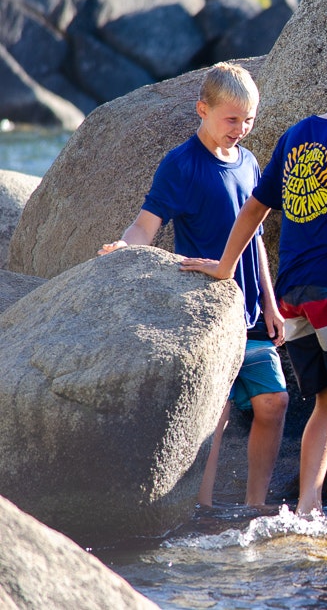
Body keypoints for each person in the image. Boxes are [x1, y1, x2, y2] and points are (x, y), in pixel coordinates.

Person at [180, 51, 327, 529]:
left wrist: (226, 267)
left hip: (294, 294)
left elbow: (254, 209)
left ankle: (308, 508)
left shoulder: (295, 136)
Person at [99, 62, 289, 509]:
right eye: (231, 119)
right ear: (202, 109)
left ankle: (255, 505)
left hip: (252, 312)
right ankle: (200, 506)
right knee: (215, 413)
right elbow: (147, 226)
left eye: (249, 120)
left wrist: (271, 300)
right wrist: (125, 247)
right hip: (206, 309)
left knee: (274, 402)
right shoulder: (180, 165)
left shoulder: (250, 163)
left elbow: (256, 239)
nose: (240, 129)